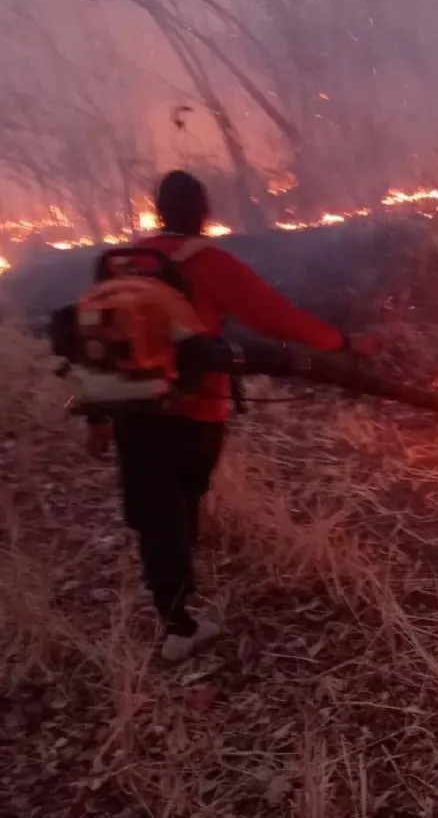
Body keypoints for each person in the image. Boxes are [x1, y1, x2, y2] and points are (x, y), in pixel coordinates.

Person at [86, 170, 380, 663]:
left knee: (155, 509)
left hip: (131, 407)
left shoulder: (121, 263)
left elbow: (93, 341)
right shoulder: (207, 262)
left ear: (157, 209)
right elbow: (277, 318)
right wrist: (346, 343)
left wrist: (96, 416)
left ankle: (172, 605)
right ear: (203, 210)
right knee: (179, 506)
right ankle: (180, 624)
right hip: (195, 408)